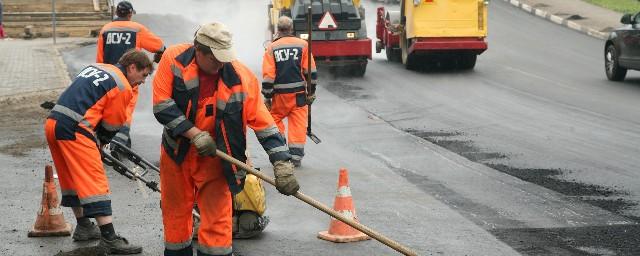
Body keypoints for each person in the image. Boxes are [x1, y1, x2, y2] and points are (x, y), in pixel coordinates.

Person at [153, 22, 299, 256]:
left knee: (218, 221)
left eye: (224, 57)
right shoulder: (174, 58)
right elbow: (162, 106)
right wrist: (194, 134)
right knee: (176, 215)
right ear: (199, 51)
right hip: (177, 153)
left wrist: (282, 163)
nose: (221, 63)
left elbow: (265, 125)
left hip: (217, 158)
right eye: (215, 59)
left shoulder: (242, 78)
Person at [45, 49, 153, 254]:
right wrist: (101, 143)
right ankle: (110, 238)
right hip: (76, 129)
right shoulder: (122, 85)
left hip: (54, 123)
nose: (144, 81)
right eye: (144, 75)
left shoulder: (98, 68)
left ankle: (84, 226)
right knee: (94, 179)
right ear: (132, 67)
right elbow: (112, 124)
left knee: (71, 177)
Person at [97, 0, 165, 149]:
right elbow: (160, 46)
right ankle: (119, 144)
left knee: (107, 108)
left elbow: (100, 58)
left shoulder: (106, 29)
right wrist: (157, 57)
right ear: (129, 14)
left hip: (107, 78)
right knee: (125, 112)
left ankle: (106, 140)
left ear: (116, 13)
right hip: (129, 77)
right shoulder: (137, 29)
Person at [262, 16, 317, 167]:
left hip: (279, 97)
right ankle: (296, 157)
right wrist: (311, 92)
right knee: (298, 124)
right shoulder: (303, 45)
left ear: (278, 30)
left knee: (275, 121)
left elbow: (268, 76)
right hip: (299, 95)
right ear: (292, 29)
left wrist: (267, 97)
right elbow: (310, 72)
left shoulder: (272, 48)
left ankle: (280, 153)